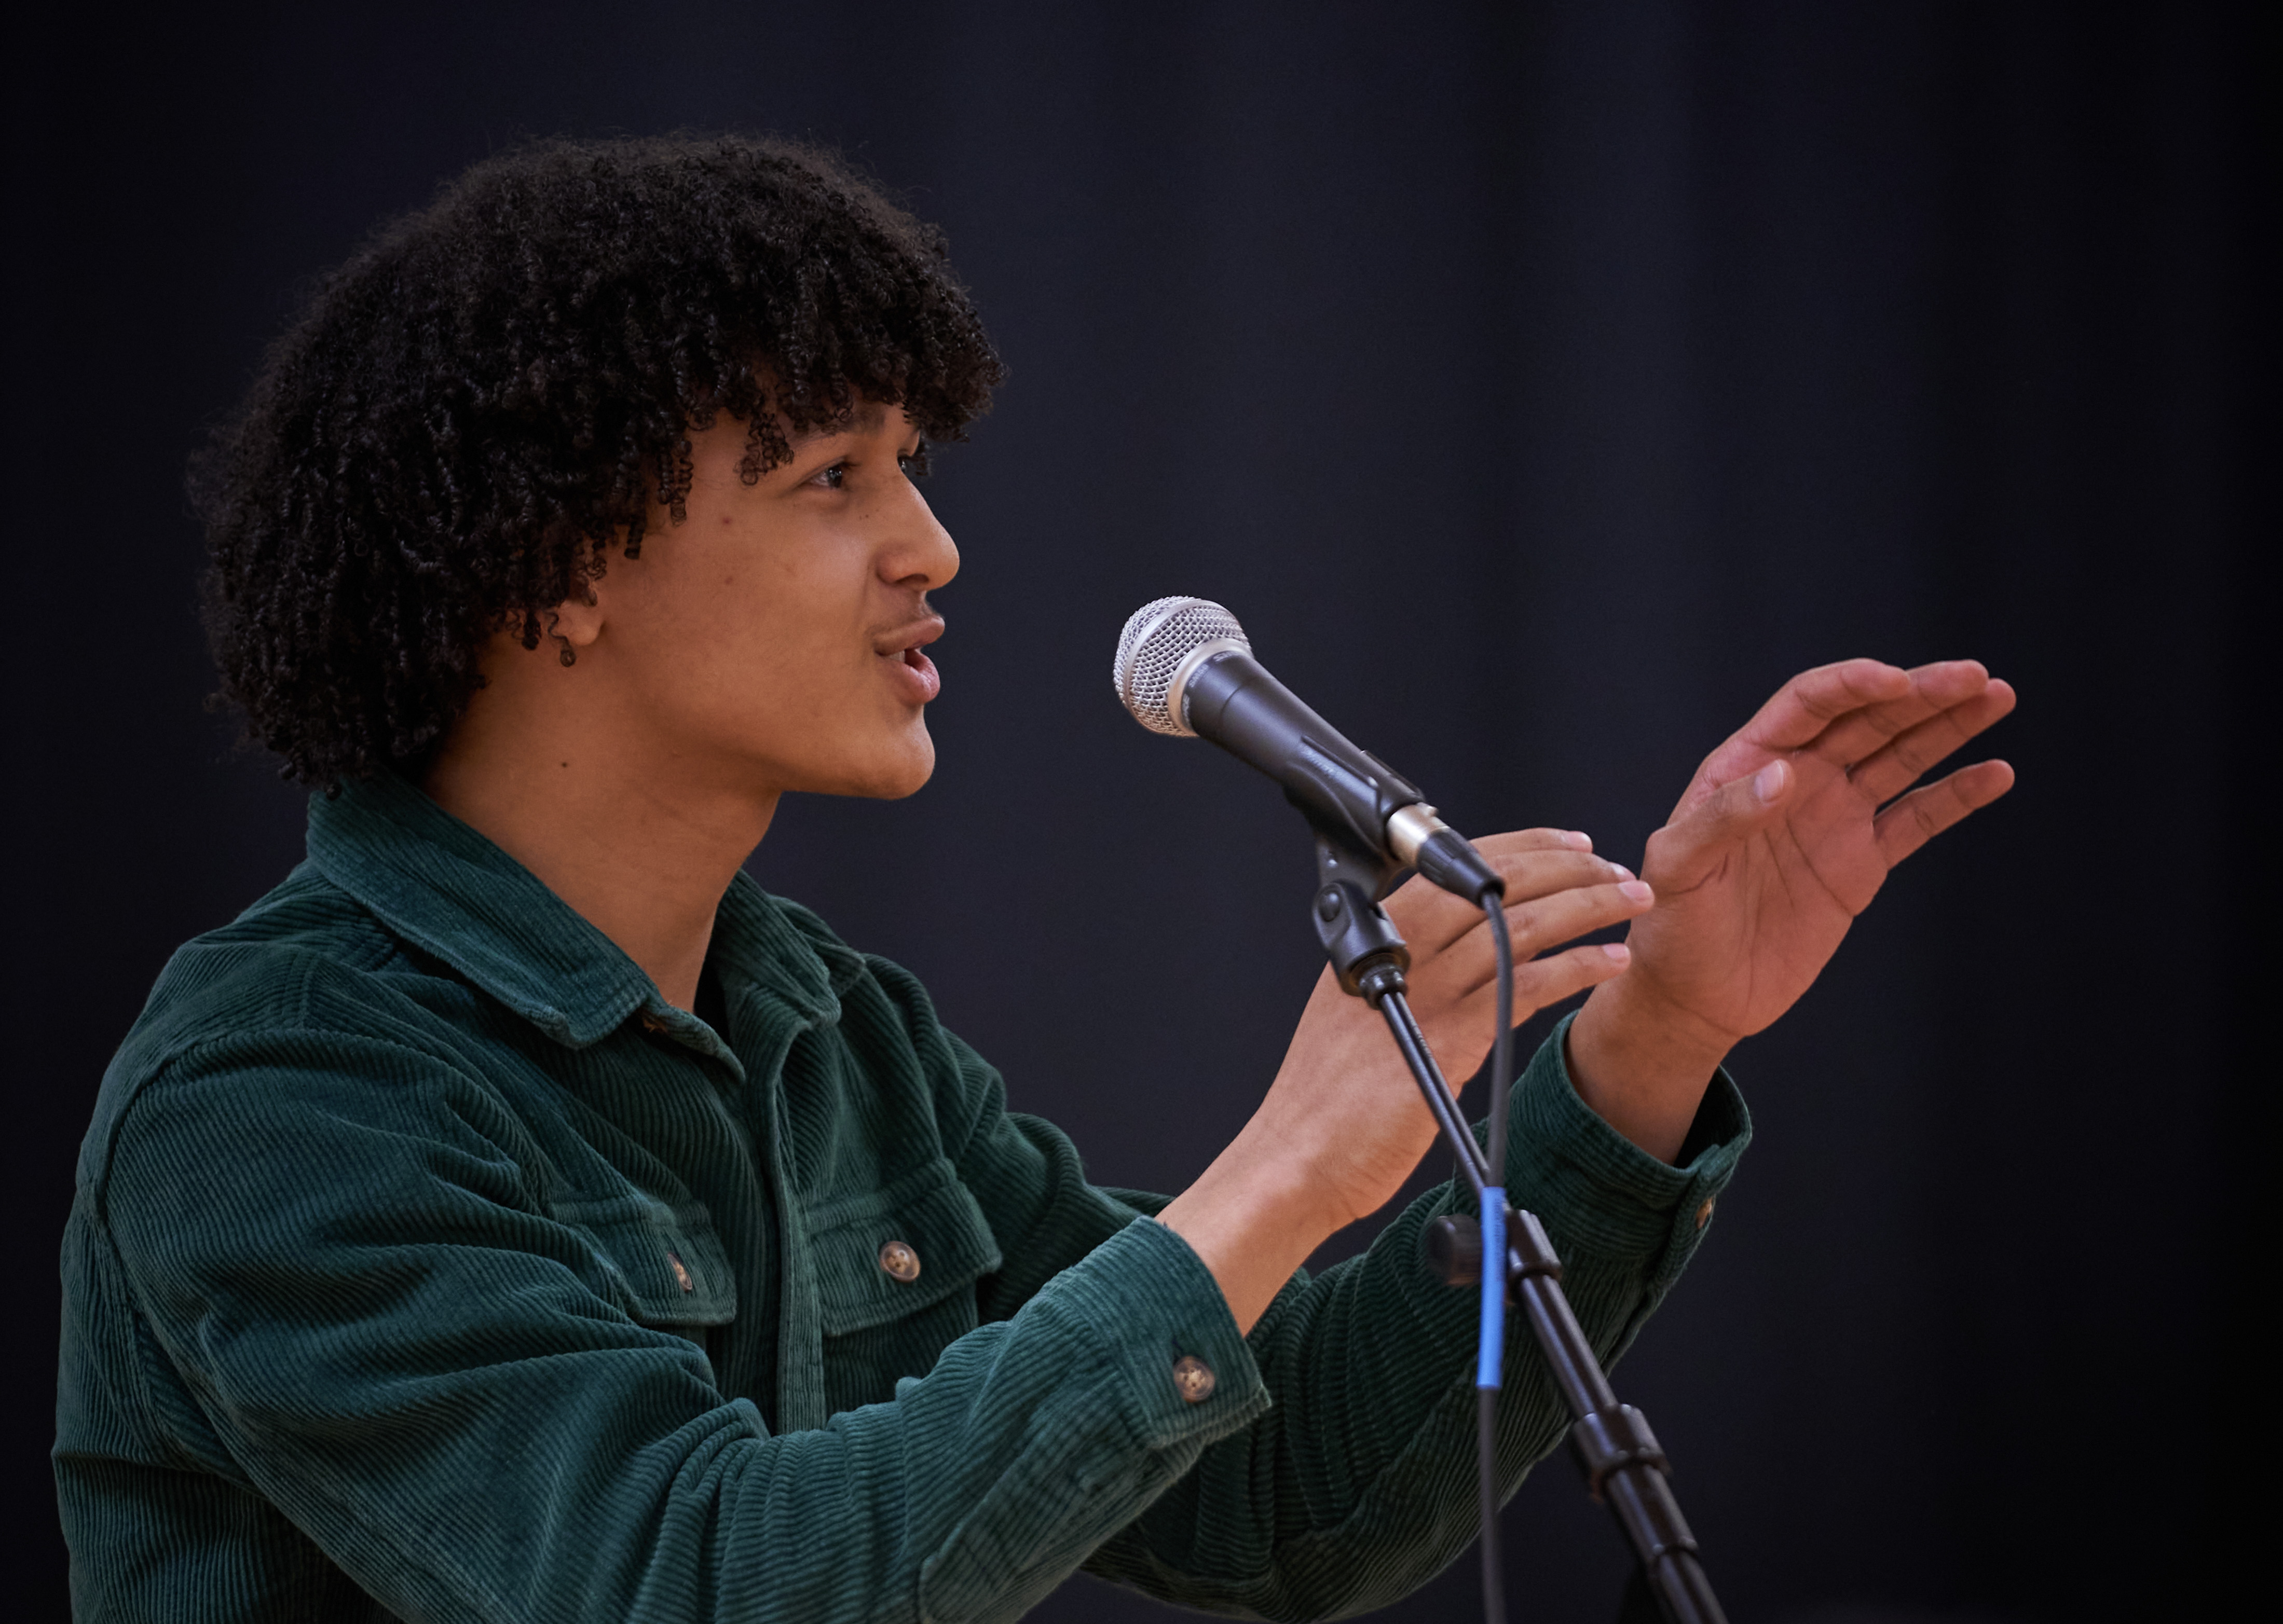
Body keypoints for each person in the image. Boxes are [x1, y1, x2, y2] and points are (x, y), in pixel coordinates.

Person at [53, 135, 2015, 1623]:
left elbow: (1286, 1494)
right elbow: (699, 1582)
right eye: (835, 476)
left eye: (916, 467)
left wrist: (1655, 1030)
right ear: (554, 568)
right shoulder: (275, 1095)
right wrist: (1287, 1167)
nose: (935, 547)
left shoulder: (829, 1027)